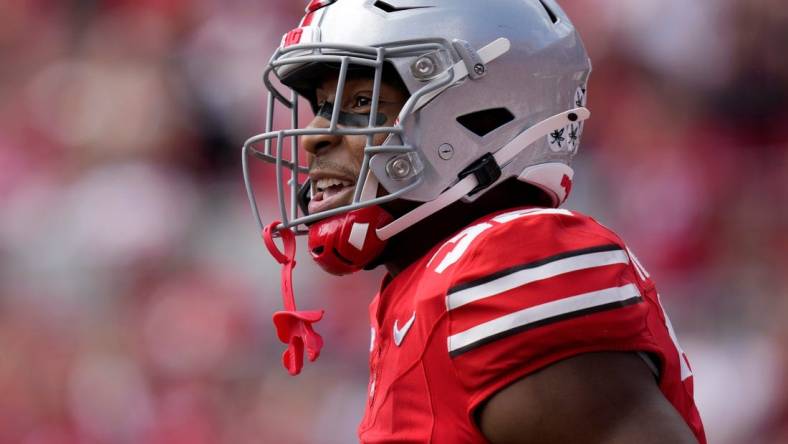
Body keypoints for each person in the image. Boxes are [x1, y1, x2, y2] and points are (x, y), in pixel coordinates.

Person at [242, 0, 707, 442]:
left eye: (361, 102)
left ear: (479, 111)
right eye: (323, 106)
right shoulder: (421, 286)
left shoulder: (507, 258)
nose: (316, 137)